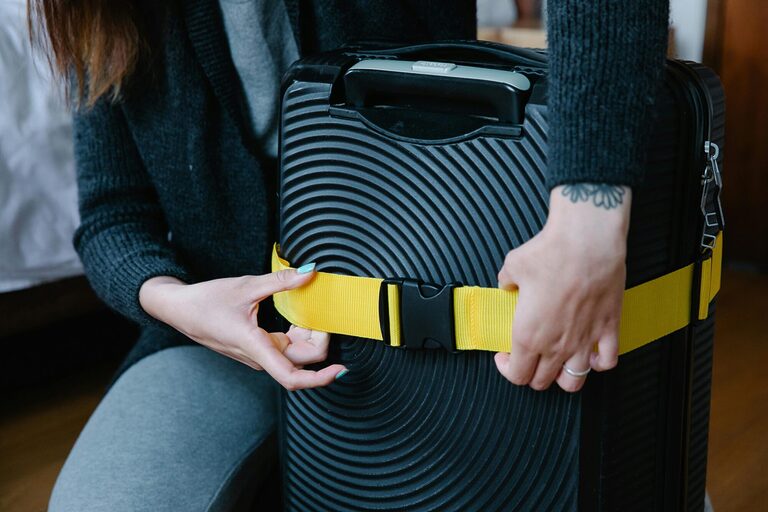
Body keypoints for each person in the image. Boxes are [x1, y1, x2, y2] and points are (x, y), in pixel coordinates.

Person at [30, 0, 674, 510]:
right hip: (215, 342)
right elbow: (112, 214)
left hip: (442, 335)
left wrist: (590, 218)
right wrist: (181, 304)